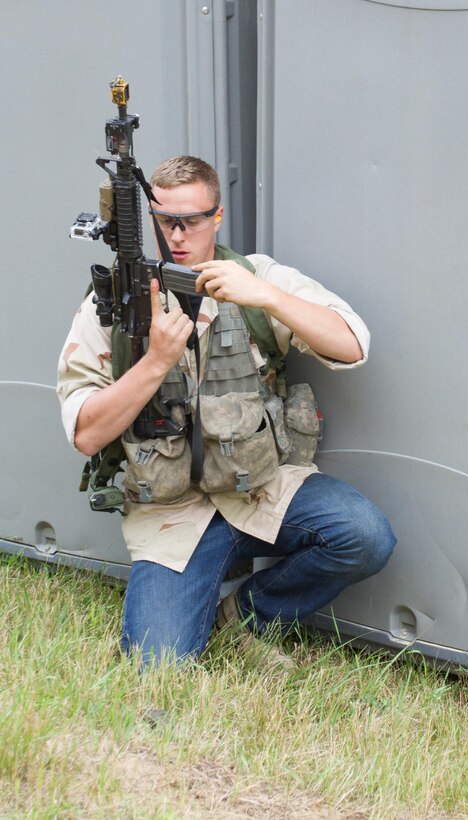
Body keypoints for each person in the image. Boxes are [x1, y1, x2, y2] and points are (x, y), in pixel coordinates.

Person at [57, 155, 396, 668]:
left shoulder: (257, 276)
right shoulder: (116, 303)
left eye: (191, 220)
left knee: (363, 535)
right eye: (163, 220)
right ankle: (190, 589)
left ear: (217, 216)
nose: (176, 234)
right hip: (173, 514)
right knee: (159, 666)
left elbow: (353, 344)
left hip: (261, 490)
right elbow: (85, 432)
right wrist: (154, 363)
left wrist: (268, 297)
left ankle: (244, 618)